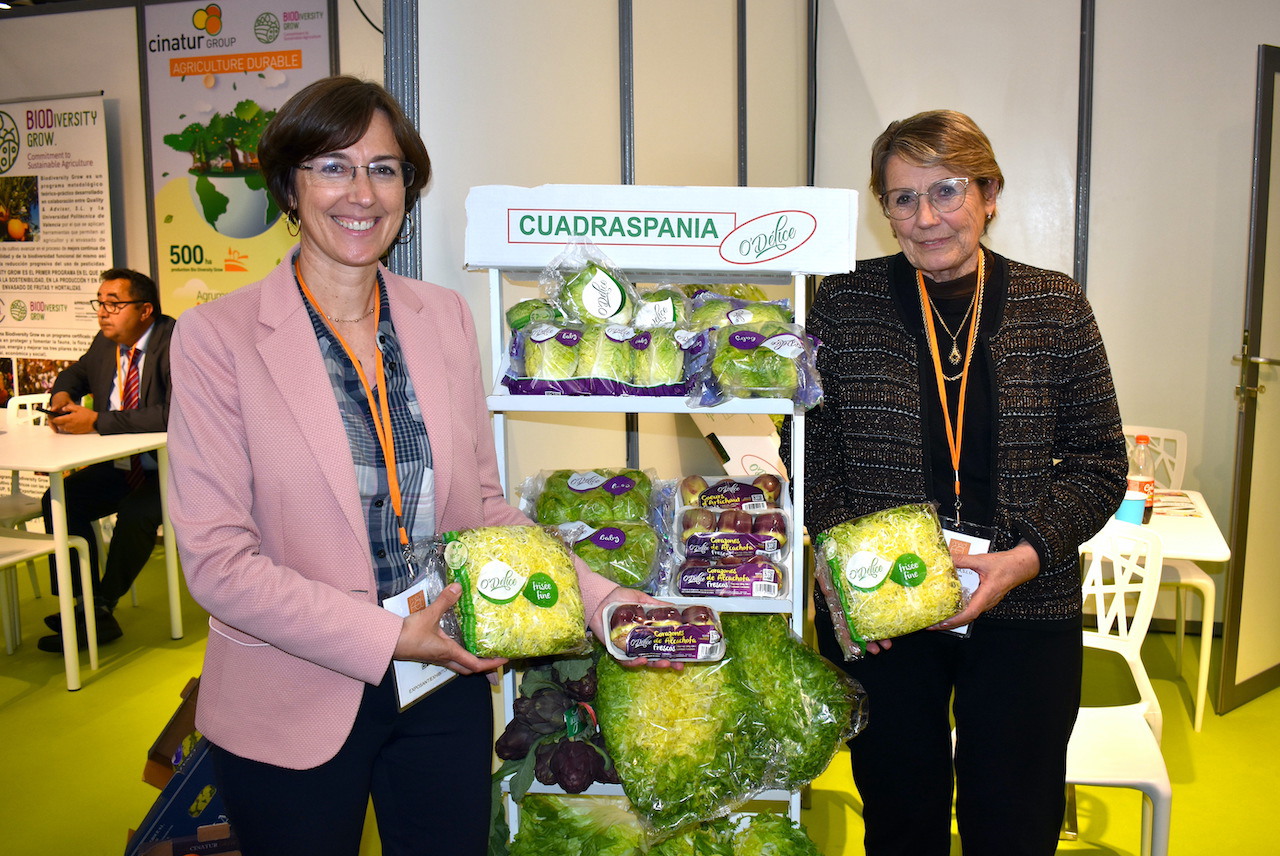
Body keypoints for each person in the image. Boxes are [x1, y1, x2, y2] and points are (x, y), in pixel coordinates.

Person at [165, 76, 671, 856]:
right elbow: (218, 562)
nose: (361, 193)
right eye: (332, 167)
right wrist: (387, 636)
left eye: (383, 168)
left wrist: (605, 602)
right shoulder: (216, 340)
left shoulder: (442, 317)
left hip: (440, 677)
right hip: (290, 692)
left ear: (407, 186)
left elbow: (484, 511)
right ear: (289, 188)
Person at [790, 110, 1127, 855]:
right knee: (899, 816)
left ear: (989, 193)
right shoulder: (842, 301)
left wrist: (1023, 557)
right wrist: (850, 570)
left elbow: (1100, 462)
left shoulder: (1055, 306)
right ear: (884, 209)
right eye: (903, 198)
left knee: (1014, 821)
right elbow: (809, 448)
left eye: (946, 190)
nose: (926, 217)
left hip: (1024, 605)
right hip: (885, 610)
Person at [37, 268, 173, 653]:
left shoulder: (176, 341)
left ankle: (100, 605)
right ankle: (83, 603)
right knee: (60, 501)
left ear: (145, 310)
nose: (102, 312)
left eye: (114, 304)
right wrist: (62, 396)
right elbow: (75, 373)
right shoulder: (105, 341)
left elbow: (173, 412)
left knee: (137, 512)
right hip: (119, 468)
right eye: (100, 302)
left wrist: (97, 421)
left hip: (172, 471)